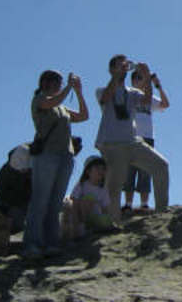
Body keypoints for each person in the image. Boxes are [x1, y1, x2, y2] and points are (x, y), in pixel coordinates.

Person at [23, 70, 89, 259]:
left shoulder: (62, 108)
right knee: (40, 200)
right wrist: (69, 88)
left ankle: (51, 242)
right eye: (58, 83)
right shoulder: (39, 100)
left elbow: (84, 115)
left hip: (65, 156)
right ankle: (32, 244)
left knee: (55, 202)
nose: (59, 86)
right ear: (48, 83)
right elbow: (51, 102)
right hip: (46, 155)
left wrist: (78, 92)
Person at [95, 55, 169, 222]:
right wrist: (117, 75)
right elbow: (105, 98)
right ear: (111, 69)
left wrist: (147, 76)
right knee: (114, 186)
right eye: (119, 64)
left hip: (132, 141)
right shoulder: (101, 90)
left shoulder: (133, 93)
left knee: (161, 166)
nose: (124, 67)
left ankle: (161, 214)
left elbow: (147, 101)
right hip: (111, 144)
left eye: (125, 64)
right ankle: (111, 223)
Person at [122, 69, 170, 214]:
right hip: (130, 136)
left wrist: (158, 85)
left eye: (143, 78)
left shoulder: (149, 98)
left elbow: (165, 104)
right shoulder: (128, 95)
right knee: (129, 171)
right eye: (137, 78)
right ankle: (128, 204)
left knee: (146, 171)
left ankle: (144, 204)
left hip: (147, 137)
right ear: (132, 81)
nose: (141, 81)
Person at [0, 143, 32, 233]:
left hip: (24, 204)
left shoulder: (32, 172)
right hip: (8, 204)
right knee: (14, 220)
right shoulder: (7, 172)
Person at [70, 155, 116, 237]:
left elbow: (105, 209)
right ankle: (82, 228)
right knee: (88, 199)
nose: (101, 171)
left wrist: (108, 220)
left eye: (103, 169)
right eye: (97, 168)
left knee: (107, 220)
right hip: (81, 218)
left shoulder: (103, 189)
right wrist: (75, 226)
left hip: (96, 217)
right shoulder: (82, 185)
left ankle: (97, 229)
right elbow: (75, 205)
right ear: (88, 171)